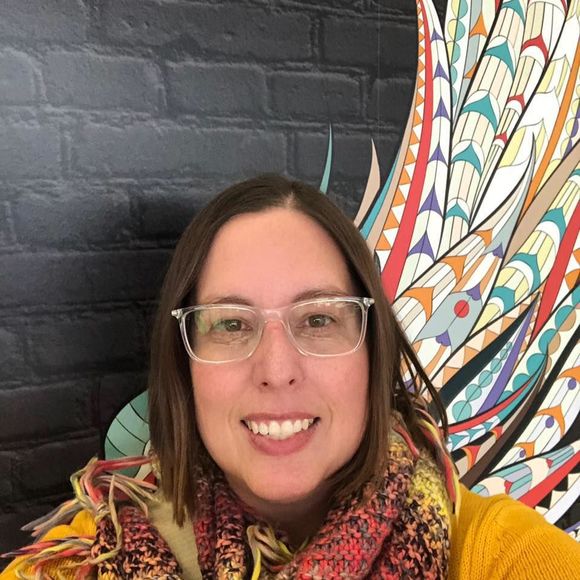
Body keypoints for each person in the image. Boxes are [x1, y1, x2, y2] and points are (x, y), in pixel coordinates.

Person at [2, 175, 579, 579]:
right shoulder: (87, 557)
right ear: (184, 366)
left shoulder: (499, 555)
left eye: (319, 319)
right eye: (231, 324)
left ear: (373, 353)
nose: (277, 371)